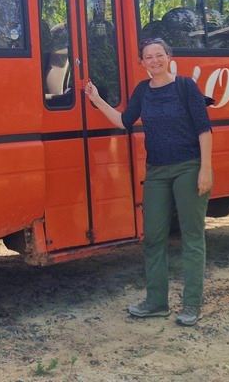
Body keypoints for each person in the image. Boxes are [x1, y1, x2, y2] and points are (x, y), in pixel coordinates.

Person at [84, 37, 213, 327]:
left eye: (159, 55)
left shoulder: (185, 87)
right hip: (156, 172)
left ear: (169, 57)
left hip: (189, 167)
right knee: (153, 237)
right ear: (142, 63)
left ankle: (192, 305)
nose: (154, 60)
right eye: (148, 57)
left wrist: (206, 169)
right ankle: (156, 302)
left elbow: (204, 130)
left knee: (192, 237)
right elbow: (123, 121)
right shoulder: (143, 90)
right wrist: (97, 99)